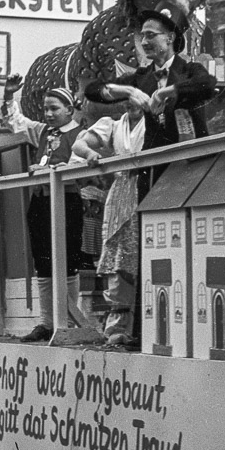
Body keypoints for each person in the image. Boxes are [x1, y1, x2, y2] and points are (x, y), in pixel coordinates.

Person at [84, 8, 217, 197]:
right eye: (142, 36)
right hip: (154, 170)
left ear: (170, 38)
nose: (144, 42)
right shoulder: (141, 78)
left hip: (191, 166)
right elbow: (92, 91)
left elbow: (207, 85)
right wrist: (128, 90)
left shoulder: (190, 70)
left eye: (151, 35)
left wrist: (164, 93)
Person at [3, 76, 95, 342]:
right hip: (41, 201)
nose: (49, 114)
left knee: (68, 261)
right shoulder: (43, 132)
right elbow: (17, 123)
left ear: (70, 108)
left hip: (67, 201)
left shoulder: (81, 134)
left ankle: (68, 321)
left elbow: (76, 165)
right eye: (46, 109)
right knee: (42, 260)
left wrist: (46, 170)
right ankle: (46, 322)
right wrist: (10, 97)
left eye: (55, 108)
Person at [71, 91, 151, 346]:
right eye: (126, 97)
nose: (131, 103)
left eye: (135, 95)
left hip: (149, 186)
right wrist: (90, 154)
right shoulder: (113, 125)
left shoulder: (156, 121)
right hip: (121, 192)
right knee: (120, 259)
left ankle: (149, 326)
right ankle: (119, 328)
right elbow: (79, 145)